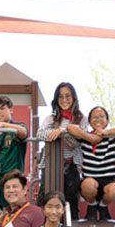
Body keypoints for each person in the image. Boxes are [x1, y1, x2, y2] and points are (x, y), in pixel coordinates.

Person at [36, 82, 88, 219]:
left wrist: (63, 131)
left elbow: (78, 141)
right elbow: (40, 134)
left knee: (70, 200)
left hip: (71, 165)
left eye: (67, 96)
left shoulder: (81, 119)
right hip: (51, 165)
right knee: (46, 198)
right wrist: (60, 132)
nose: (64, 100)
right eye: (60, 97)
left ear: (74, 98)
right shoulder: (51, 119)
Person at [67, 106, 115, 220]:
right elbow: (70, 128)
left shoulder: (112, 137)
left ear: (107, 121)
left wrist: (106, 132)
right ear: (90, 121)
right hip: (90, 180)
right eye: (94, 117)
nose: (98, 119)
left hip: (109, 181)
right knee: (88, 185)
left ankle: (103, 207)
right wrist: (91, 139)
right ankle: (91, 206)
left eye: (102, 116)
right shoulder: (86, 137)